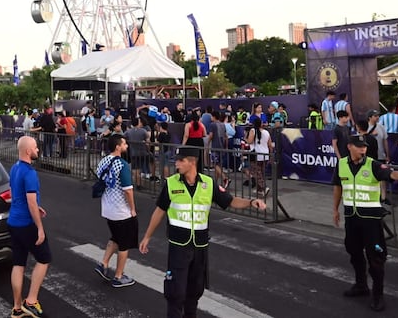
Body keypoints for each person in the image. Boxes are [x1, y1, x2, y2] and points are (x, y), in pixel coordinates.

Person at [138, 145, 266, 318]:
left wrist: (251, 202)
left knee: (194, 292)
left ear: (192, 162)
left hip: (199, 247)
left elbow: (230, 201)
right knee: (175, 293)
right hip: (179, 247)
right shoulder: (171, 183)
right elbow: (159, 211)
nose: (176, 164)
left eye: (180, 160)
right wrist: (147, 236)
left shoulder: (208, 183)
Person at [332, 135, 398, 312]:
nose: (363, 149)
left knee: (376, 258)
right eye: (359, 146)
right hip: (352, 218)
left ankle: (378, 295)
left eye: (364, 146)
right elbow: (338, 186)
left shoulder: (373, 164)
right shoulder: (341, 164)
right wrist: (335, 209)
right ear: (349, 147)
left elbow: (389, 173)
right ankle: (361, 285)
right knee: (354, 253)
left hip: (371, 221)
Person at [8, 136, 51, 317]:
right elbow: (31, 202)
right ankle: (31, 301)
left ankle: (17, 308)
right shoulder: (30, 173)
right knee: (44, 259)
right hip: (27, 224)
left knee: (19, 263)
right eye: (35, 147)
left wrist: (32, 205)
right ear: (28, 151)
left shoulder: (14, 168)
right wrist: (40, 228)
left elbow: (14, 194)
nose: (38, 150)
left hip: (13, 223)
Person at [94, 135, 138, 288]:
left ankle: (104, 263)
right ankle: (119, 276)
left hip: (107, 207)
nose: (126, 145)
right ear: (118, 147)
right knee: (124, 244)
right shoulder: (122, 165)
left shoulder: (103, 162)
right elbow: (128, 190)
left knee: (115, 237)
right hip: (121, 210)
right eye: (124, 143)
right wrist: (132, 208)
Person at [245, 117, 273, 198]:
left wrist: (245, 139)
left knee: (256, 172)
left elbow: (249, 141)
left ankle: (264, 188)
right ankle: (259, 189)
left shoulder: (252, 131)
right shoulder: (266, 132)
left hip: (256, 155)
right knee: (262, 172)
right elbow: (270, 145)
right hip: (265, 154)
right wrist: (270, 155)